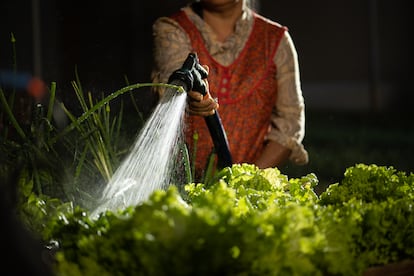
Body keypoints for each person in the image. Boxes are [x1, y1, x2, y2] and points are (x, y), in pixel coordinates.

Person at [151, 0, 308, 179]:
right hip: (183, 185)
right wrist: (191, 99)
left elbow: (290, 124)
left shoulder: (275, 40)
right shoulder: (173, 30)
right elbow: (173, 88)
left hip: (249, 190)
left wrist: (246, 183)